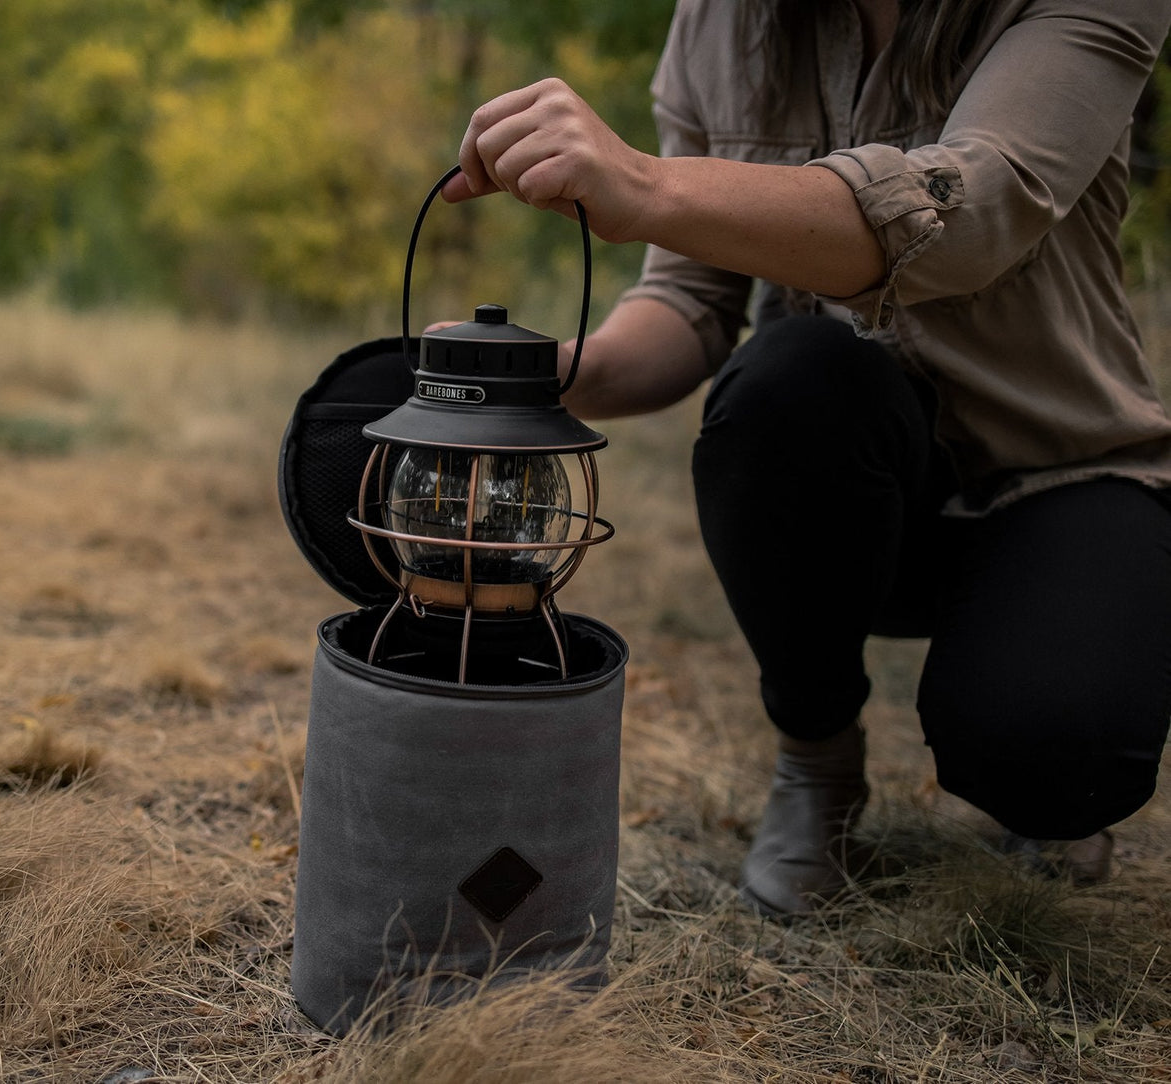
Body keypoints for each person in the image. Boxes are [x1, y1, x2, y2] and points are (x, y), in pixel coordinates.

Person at [442, 0, 1171, 917]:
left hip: (1056, 472)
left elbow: (976, 209)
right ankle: (817, 760)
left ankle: (1034, 730)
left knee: (1055, 760)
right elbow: (692, 298)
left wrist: (647, 184)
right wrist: (548, 379)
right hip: (847, 490)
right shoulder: (718, 20)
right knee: (787, 377)